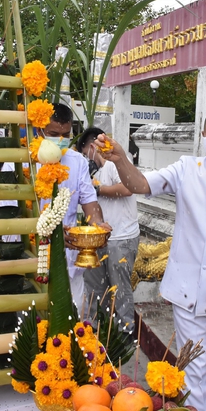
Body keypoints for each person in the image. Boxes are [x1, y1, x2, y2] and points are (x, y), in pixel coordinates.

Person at [95, 104, 206, 411]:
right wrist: (120, 158)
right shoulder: (185, 168)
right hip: (186, 291)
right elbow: (140, 185)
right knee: (195, 376)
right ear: (202, 135)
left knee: (205, 371)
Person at [39, 103, 108, 309]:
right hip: (33, 256)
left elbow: (90, 203)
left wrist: (98, 227)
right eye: (53, 134)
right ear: (39, 131)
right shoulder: (23, 160)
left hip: (68, 260)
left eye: (66, 135)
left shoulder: (77, 161)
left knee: (73, 322)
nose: (60, 140)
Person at [77, 127, 139, 332]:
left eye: (87, 153)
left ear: (93, 146)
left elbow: (128, 188)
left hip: (121, 237)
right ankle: (96, 330)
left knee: (120, 289)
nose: (89, 158)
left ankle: (125, 333)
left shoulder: (116, 162)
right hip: (100, 238)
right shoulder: (98, 171)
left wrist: (97, 189)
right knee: (95, 287)